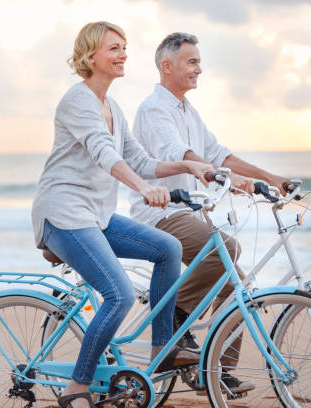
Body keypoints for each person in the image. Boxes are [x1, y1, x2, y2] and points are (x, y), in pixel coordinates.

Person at [31, 22, 214, 408]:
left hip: (96, 215)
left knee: (167, 247)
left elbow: (140, 160)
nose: (123, 54)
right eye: (114, 48)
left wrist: (187, 166)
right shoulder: (77, 101)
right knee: (120, 294)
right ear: (90, 56)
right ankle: (77, 387)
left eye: (124, 47)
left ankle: (163, 347)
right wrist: (144, 189)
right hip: (63, 214)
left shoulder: (113, 106)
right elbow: (105, 153)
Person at [128, 32, 290, 394]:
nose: (199, 68)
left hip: (189, 213)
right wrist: (223, 177)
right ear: (166, 66)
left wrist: (269, 177)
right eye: (192, 61)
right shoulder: (155, 109)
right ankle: (175, 322)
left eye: (199, 61)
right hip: (161, 212)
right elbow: (182, 153)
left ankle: (214, 373)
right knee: (227, 250)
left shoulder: (188, 110)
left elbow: (219, 155)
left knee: (236, 285)